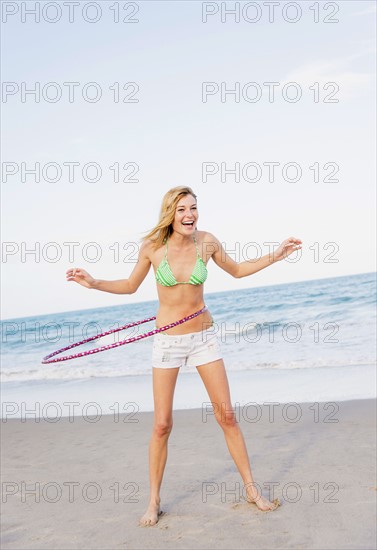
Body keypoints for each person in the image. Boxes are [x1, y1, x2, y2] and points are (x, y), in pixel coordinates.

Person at [66, 186, 302, 525]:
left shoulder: (207, 241)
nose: (189, 214)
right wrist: (94, 282)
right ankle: (153, 501)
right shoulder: (152, 248)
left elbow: (237, 270)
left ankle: (252, 490)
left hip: (203, 337)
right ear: (169, 214)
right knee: (162, 425)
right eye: (181, 209)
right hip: (167, 341)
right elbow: (130, 285)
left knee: (227, 417)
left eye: (193, 207)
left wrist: (276, 255)